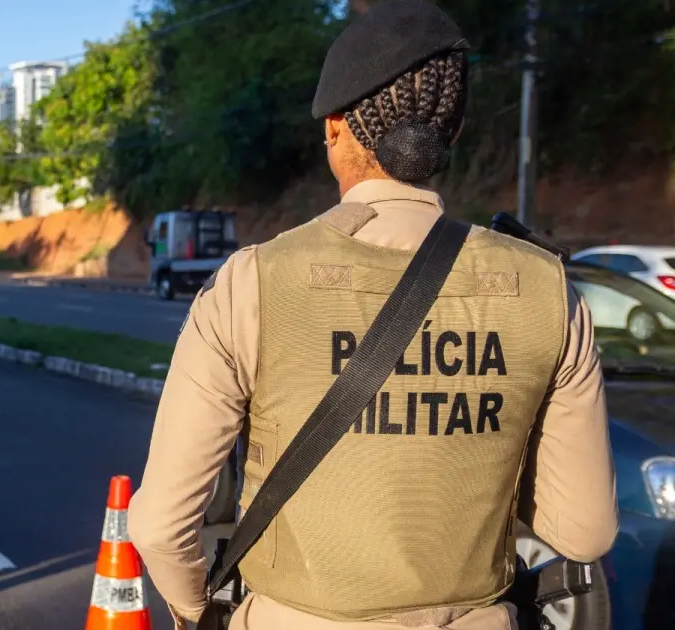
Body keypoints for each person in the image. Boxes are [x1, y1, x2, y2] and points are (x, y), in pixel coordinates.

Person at [127, 2, 618, 629]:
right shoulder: (545, 288)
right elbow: (587, 531)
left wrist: (201, 612)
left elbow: (161, 524)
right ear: (454, 132)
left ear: (333, 128)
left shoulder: (253, 282)